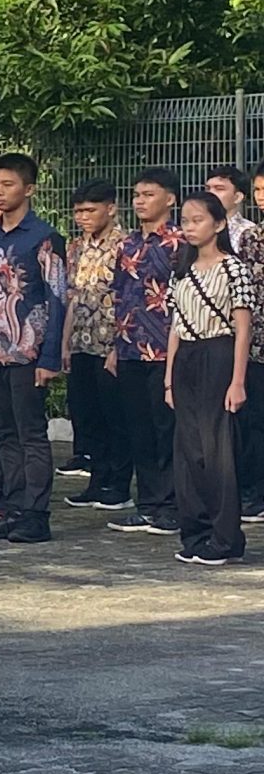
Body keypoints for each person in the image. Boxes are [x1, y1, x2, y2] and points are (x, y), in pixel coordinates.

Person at [0, 152, 68, 546]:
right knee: (2, 433)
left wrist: (50, 356)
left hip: (27, 350)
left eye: (8, 184)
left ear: (29, 189)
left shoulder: (44, 237)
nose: (0, 191)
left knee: (31, 434)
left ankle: (36, 513)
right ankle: (12, 507)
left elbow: (57, 297)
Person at [166, 190, 253, 565]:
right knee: (188, 451)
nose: (189, 227)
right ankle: (196, 531)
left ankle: (225, 537)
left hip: (218, 354)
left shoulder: (234, 268)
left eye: (197, 220)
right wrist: (169, 378)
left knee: (217, 449)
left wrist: (237, 381)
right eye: (185, 220)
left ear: (218, 224)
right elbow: (174, 326)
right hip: (186, 356)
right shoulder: (181, 270)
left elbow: (243, 328)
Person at [107, 171, 181, 537]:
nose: (139, 201)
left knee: (166, 429)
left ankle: (171, 506)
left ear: (169, 199)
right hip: (130, 347)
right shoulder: (128, 244)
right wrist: (113, 347)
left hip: (166, 349)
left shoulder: (179, 243)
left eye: (148, 194)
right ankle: (148, 503)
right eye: (136, 194)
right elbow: (118, 295)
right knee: (140, 430)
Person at [199, 166, 264, 522]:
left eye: (220, 188)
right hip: (235, 339)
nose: (261, 195)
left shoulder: (248, 235)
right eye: (258, 188)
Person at [62, 182, 127, 509]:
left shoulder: (125, 245)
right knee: (87, 416)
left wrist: (119, 345)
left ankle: (119, 485)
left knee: (116, 417)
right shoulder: (75, 248)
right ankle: (97, 480)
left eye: (90, 210)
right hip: (81, 344)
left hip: (110, 345)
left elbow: (129, 299)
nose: (83, 217)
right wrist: (64, 343)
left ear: (111, 208)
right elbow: (72, 298)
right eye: (78, 211)